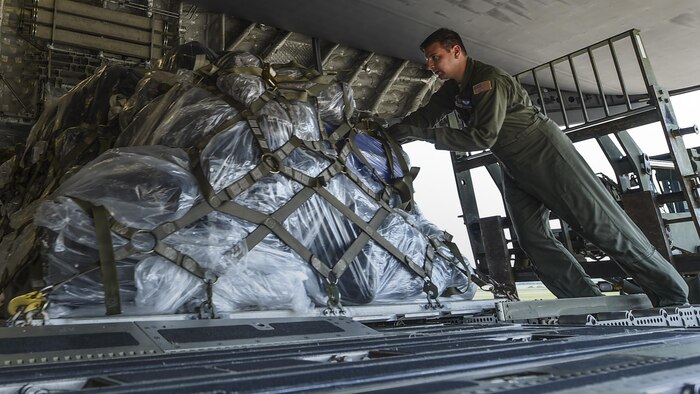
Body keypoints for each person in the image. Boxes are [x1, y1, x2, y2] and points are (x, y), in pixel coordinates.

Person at [387, 28, 688, 307]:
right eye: (428, 58)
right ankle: (587, 301)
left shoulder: (488, 81)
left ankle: (672, 293)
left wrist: (420, 135)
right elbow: (426, 115)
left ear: (456, 51)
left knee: (601, 226)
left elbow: (481, 136)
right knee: (532, 239)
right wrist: (389, 132)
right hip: (513, 162)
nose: (430, 64)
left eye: (435, 57)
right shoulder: (455, 89)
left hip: (544, 151)